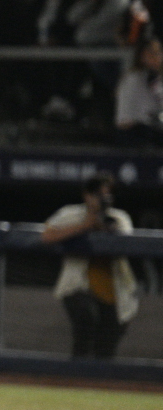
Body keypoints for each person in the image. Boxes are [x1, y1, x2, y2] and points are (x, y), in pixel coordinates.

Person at [41, 173, 136, 359]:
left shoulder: (119, 217)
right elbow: (46, 236)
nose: (104, 199)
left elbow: (124, 242)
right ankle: (75, 381)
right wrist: (85, 225)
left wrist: (100, 223)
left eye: (107, 194)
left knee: (106, 350)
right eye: (99, 194)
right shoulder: (71, 214)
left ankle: (98, 385)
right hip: (77, 285)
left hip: (115, 291)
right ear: (87, 195)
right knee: (86, 323)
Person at [116, 37, 163, 147]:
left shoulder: (156, 77)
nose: (159, 57)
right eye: (153, 53)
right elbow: (142, 114)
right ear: (142, 56)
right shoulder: (134, 78)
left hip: (151, 128)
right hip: (135, 132)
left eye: (159, 53)